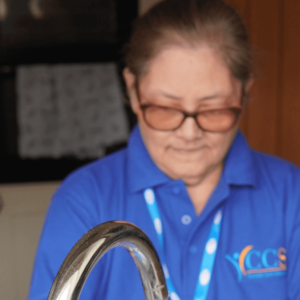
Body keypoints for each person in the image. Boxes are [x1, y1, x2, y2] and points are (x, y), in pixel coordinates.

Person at [28, 0, 300, 299]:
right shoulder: (83, 199)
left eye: (213, 109)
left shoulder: (290, 194)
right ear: (133, 90)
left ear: (245, 93)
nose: (189, 133)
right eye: (165, 108)